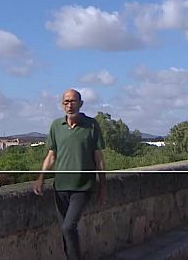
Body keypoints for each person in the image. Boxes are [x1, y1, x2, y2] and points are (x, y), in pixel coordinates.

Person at [33, 89, 106, 260]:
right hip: (60, 188)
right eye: (66, 102)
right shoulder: (56, 126)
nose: (69, 105)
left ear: (80, 104)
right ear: (62, 104)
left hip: (83, 187)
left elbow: (99, 159)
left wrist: (103, 187)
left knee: (68, 227)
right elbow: (51, 156)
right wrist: (40, 178)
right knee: (65, 231)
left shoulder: (91, 125)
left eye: (73, 101)